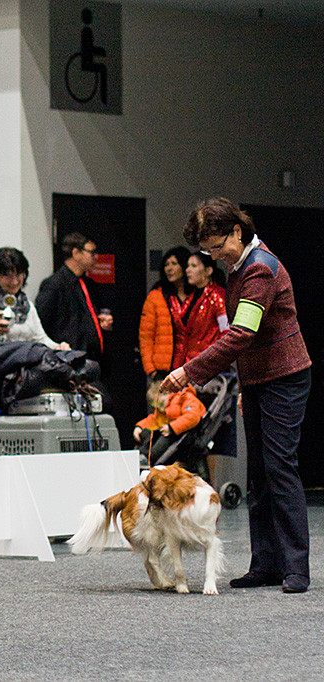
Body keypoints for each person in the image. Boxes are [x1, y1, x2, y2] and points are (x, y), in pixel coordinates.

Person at [162, 197, 312, 594]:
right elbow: (246, 338)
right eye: (207, 250)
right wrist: (246, 386)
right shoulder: (238, 267)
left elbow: (242, 333)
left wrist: (187, 372)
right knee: (258, 473)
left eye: (215, 246)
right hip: (261, 380)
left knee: (281, 469)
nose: (213, 255)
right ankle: (265, 565)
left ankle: (297, 567)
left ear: (236, 232)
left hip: (286, 377)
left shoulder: (260, 268)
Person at [0, 247, 69, 353]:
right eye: (7, 276)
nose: (14, 282)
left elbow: (40, 339)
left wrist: (58, 347)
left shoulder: (26, 305)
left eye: (18, 274)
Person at [35, 232, 113, 358]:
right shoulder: (54, 285)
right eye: (91, 252)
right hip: (68, 358)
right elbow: (41, 324)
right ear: (76, 253)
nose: (96, 257)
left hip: (94, 358)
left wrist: (102, 323)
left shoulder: (89, 284)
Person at [138, 246, 192, 381]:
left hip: (190, 367)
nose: (169, 268)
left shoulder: (196, 296)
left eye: (174, 264)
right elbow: (145, 337)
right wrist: (151, 370)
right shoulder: (156, 296)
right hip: (163, 370)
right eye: (166, 264)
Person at [133, 380, 205, 470]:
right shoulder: (164, 408)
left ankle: (148, 458)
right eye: (157, 407)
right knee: (148, 433)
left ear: (168, 393)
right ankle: (141, 455)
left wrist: (172, 428)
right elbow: (154, 420)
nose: (161, 409)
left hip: (186, 433)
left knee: (164, 437)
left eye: (162, 404)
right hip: (170, 431)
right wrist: (139, 427)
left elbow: (192, 417)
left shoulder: (186, 397)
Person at [173, 251, 227, 367]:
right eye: (187, 266)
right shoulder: (190, 298)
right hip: (187, 364)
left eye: (194, 266)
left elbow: (226, 333)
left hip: (208, 366)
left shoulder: (218, 296)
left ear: (208, 270)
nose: (188, 270)